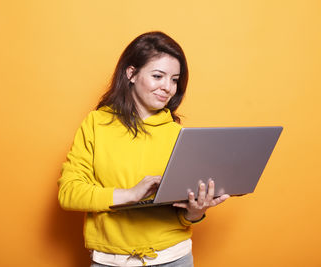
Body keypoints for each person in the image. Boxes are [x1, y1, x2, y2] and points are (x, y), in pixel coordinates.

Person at [58, 31, 229, 267]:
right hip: (110, 260)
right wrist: (129, 195)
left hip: (174, 258)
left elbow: (184, 215)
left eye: (174, 79)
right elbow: (69, 192)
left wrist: (196, 211)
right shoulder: (96, 123)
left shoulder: (179, 135)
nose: (167, 87)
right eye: (158, 76)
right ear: (131, 73)